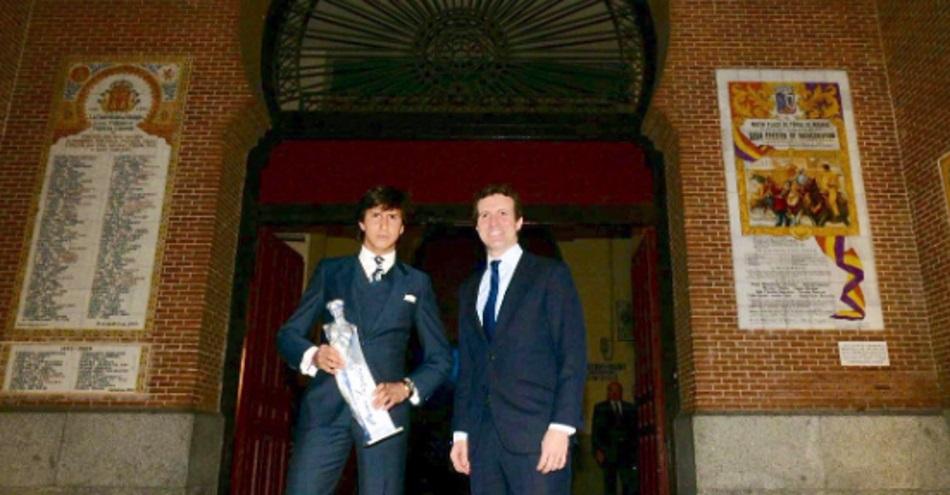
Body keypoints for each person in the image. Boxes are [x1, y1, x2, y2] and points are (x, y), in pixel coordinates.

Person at [276, 186, 452, 495]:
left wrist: (407, 387)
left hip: (384, 414)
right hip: (325, 409)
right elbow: (288, 334)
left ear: (402, 226)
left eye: (392, 217)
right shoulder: (331, 272)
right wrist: (314, 355)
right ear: (361, 223)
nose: (383, 225)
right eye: (375, 216)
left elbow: (441, 358)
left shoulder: (417, 283)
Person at [449, 184, 588, 495]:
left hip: (538, 435)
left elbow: (573, 354)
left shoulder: (550, 275)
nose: (493, 221)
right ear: (476, 226)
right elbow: (469, 367)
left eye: (502, 213)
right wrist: (461, 432)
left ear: (518, 222)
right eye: (485, 215)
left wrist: (562, 427)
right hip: (483, 441)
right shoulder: (469, 289)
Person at [592, 381, 639, 495]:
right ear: (608, 392)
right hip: (609, 451)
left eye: (617, 391)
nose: (615, 393)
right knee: (610, 484)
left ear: (621, 392)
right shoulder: (600, 408)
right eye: (612, 390)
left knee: (628, 483)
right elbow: (596, 430)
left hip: (627, 453)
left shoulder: (630, 408)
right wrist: (597, 450)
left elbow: (635, 430)